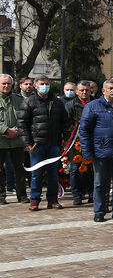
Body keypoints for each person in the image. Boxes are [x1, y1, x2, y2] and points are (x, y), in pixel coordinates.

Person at [80, 78, 113, 222]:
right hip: (100, 151)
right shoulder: (92, 106)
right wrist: (87, 152)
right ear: (103, 90)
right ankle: (99, 211)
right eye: (110, 88)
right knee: (100, 183)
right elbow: (84, 131)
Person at [19, 77, 72, 210]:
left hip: (54, 144)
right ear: (36, 86)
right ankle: (35, 200)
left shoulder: (57, 102)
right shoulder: (29, 101)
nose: (44, 86)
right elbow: (22, 123)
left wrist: (67, 140)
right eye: (42, 84)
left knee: (53, 174)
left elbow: (64, 122)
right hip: (37, 144)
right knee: (36, 174)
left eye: (47, 84)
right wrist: (27, 142)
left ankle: (52, 200)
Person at [0, 74, 27, 204]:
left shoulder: (19, 99)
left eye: (8, 84)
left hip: (17, 141)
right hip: (1, 140)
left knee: (19, 169)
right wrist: (5, 129)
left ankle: (22, 195)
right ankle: (1, 195)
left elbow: (23, 117)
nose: (6, 86)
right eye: (3, 83)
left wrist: (16, 130)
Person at [66, 80, 93, 206]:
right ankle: (77, 195)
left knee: (92, 169)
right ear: (76, 91)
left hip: (93, 140)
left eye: (86, 90)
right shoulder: (70, 105)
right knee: (75, 169)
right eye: (81, 90)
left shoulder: (96, 103)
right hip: (75, 141)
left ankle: (92, 194)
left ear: (90, 91)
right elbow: (66, 124)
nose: (84, 92)